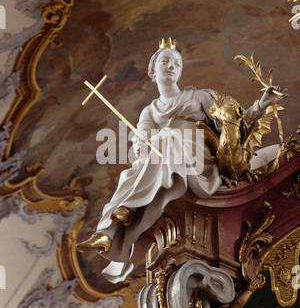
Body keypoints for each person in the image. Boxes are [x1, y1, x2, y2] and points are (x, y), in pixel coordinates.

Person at [77, 38, 287, 283]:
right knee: (128, 173)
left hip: (200, 163)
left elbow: (233, 126)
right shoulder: (149, 111)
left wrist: (260, 105)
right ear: (153, 73)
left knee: (168, 137)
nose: (171, 66)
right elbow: (140, 144)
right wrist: (142, 141)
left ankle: (128, 208)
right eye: (164, 61)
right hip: (167, 165)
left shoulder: (198, 97)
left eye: (176, 62)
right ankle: (107, 232)